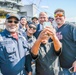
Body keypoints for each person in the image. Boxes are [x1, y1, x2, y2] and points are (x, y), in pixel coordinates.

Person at [54, 8, 76, 74]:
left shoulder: (71, 27)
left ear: (64, 17)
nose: (58, 17)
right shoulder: (54, 30)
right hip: (60, 67)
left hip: (72, 67)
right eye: (56, 16)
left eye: (60, 15)